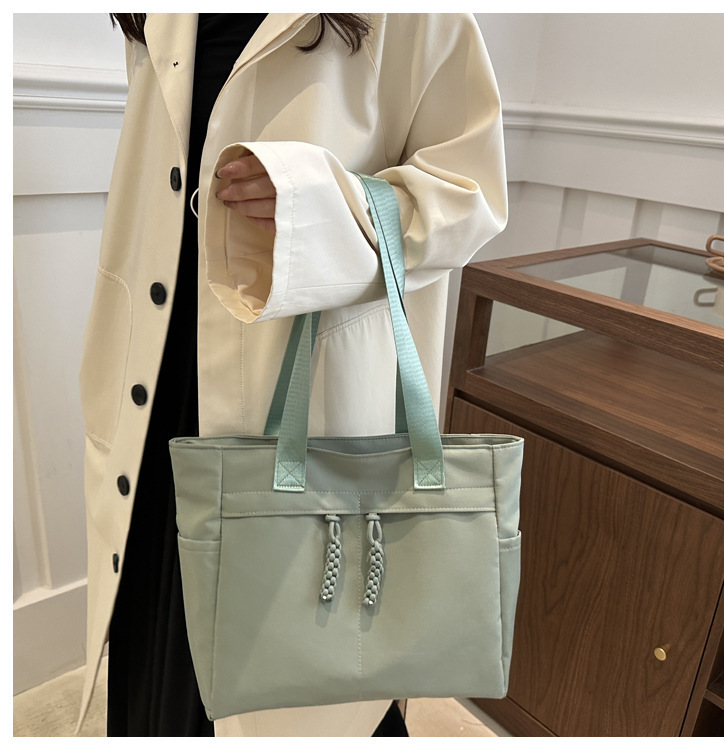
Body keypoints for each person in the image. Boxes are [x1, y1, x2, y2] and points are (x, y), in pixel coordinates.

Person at [77, 12, 508, 737]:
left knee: (308, 690)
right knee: (161, 641)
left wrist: (319, 205)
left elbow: (472, 196)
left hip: (307, 387)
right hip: (153, 379)